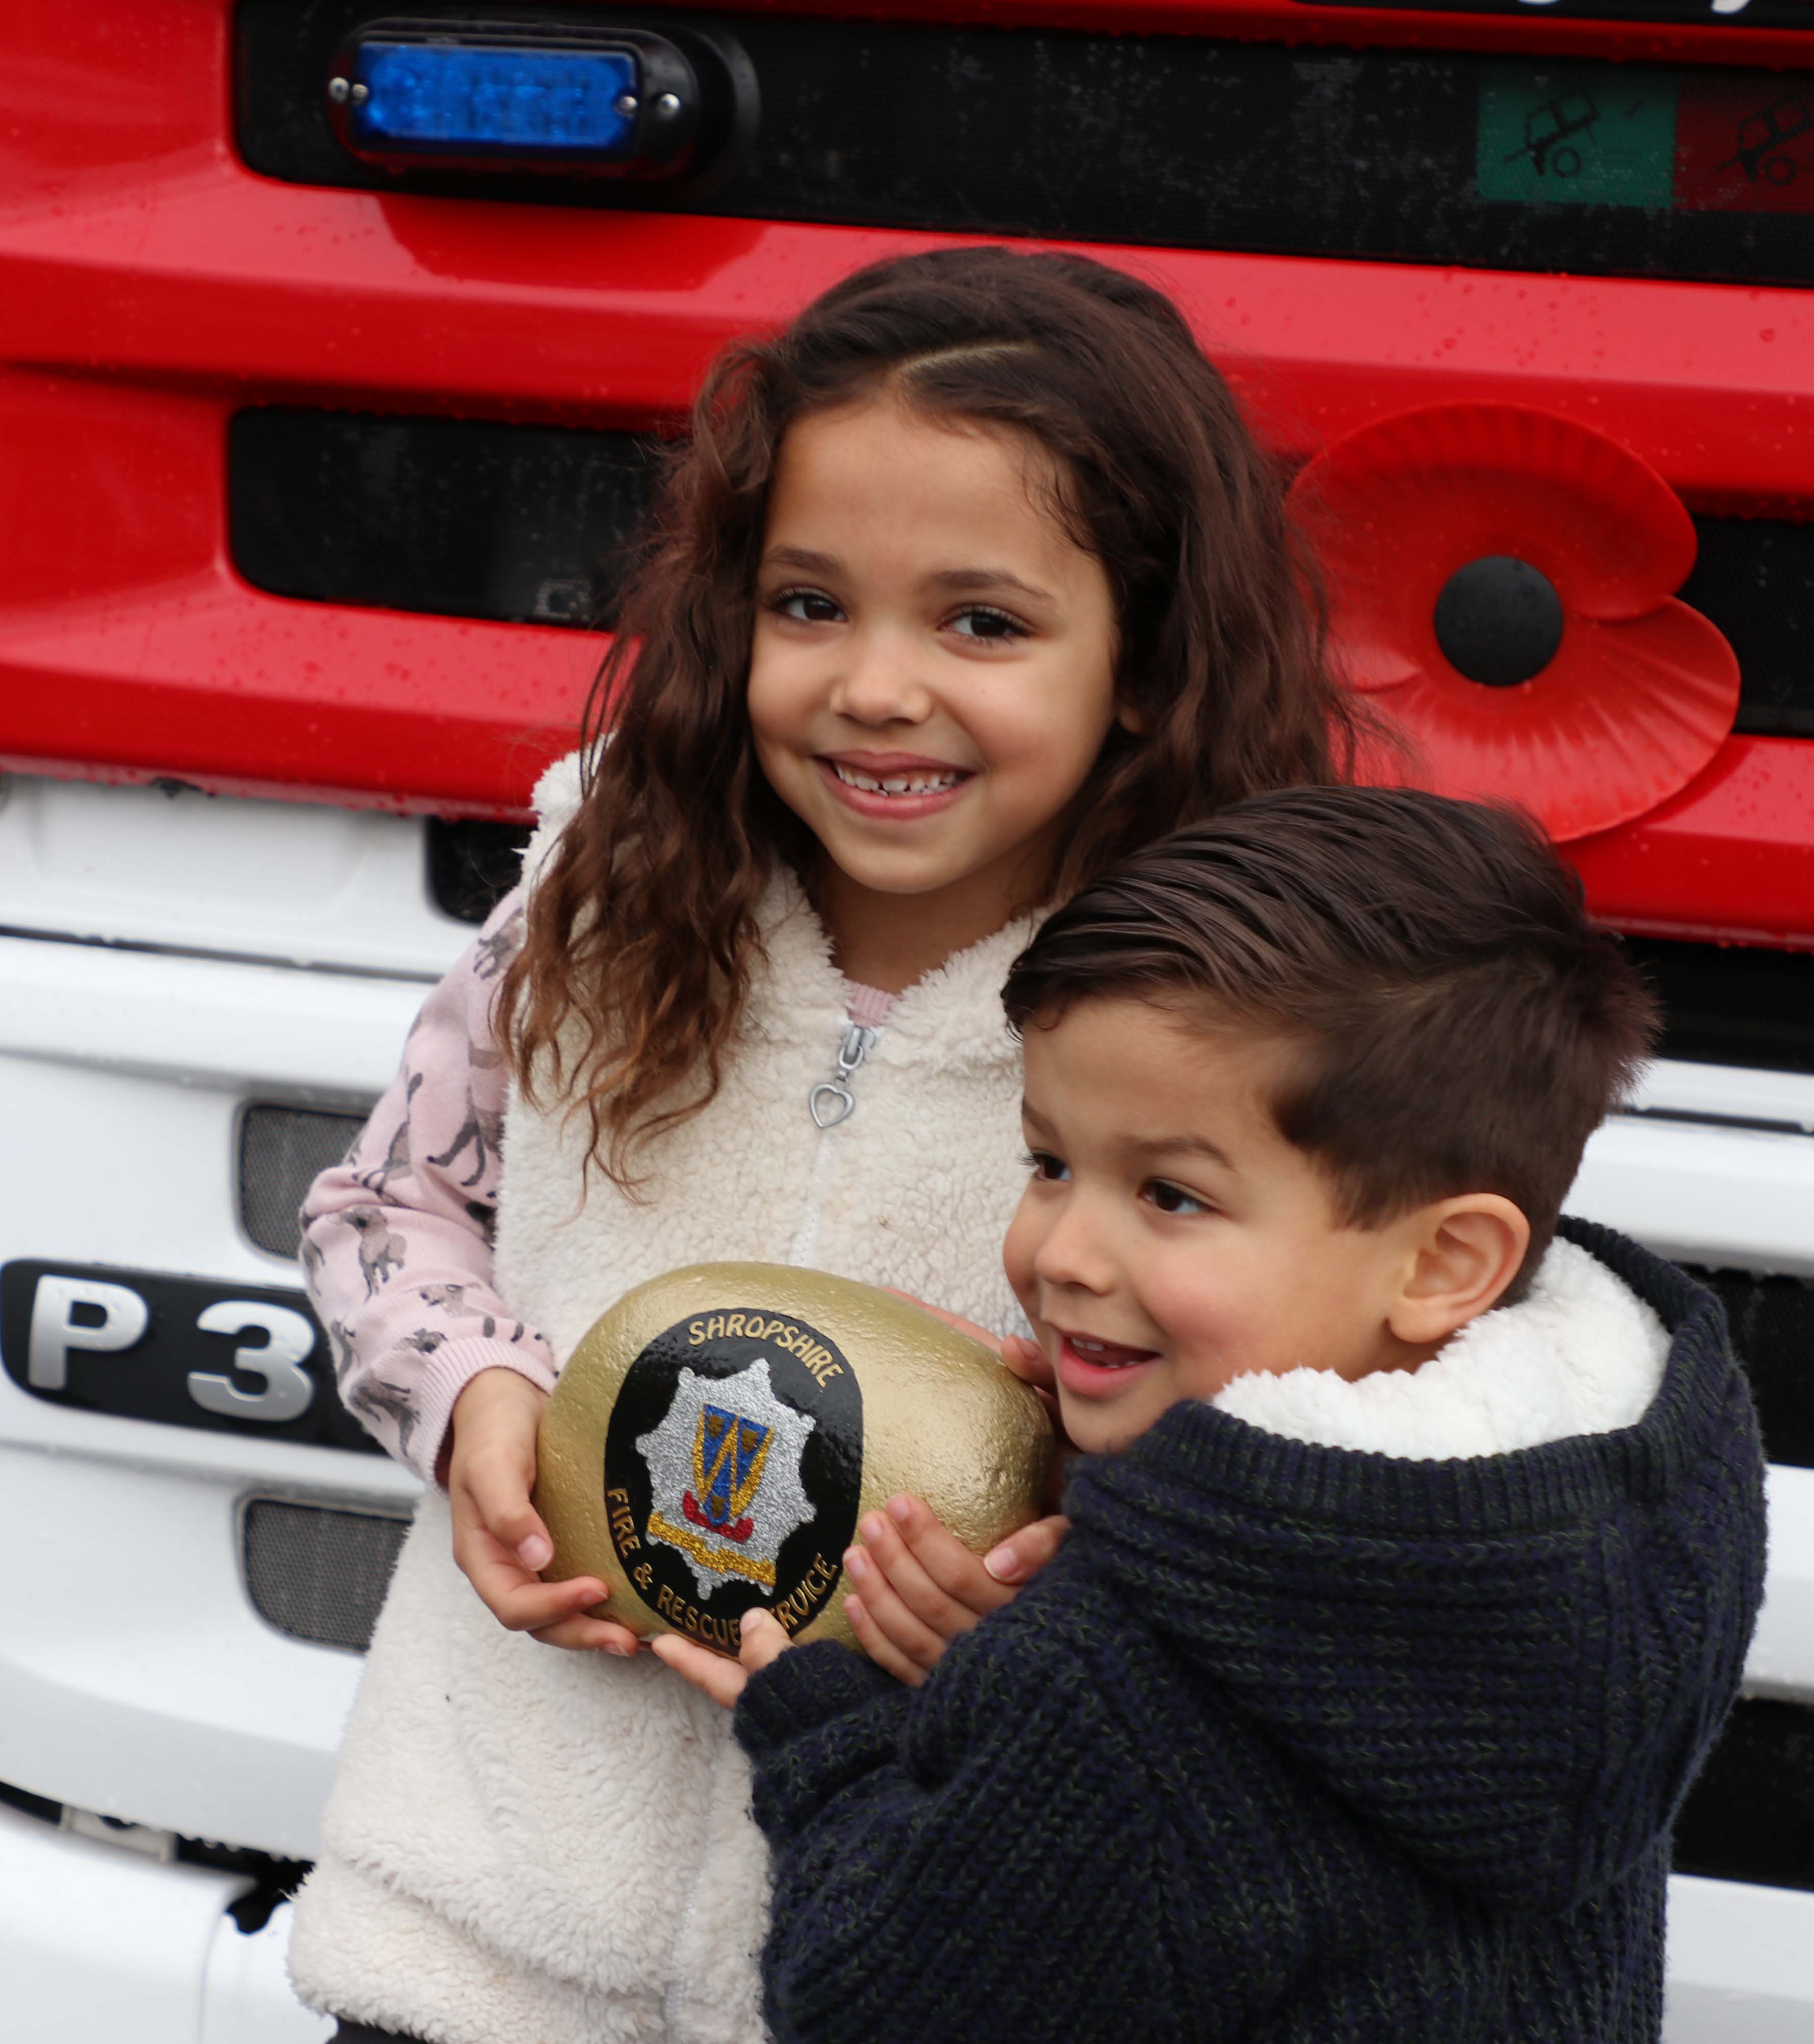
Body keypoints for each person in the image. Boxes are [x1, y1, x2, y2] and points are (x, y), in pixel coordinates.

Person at [285, 246, 1360, 2044]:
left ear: (1154, 664)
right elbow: (392, 1204)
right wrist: (471, 1395)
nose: (876, 688)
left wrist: (1055, 1587)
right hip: (473, 1937)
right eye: (808, 605)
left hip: (901, 1968)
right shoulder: (595, 896)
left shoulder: (1222, 1023)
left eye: (983, 624)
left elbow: (1300, 1426)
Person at [657, 788, 1769, 2043]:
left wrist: (845, 1731)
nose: (1064, 1250)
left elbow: (870, 2002)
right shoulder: (1598, 1531)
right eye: (1050, 1161)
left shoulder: (1125, 1680)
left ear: (1447, 1261)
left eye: (1173, 1194)